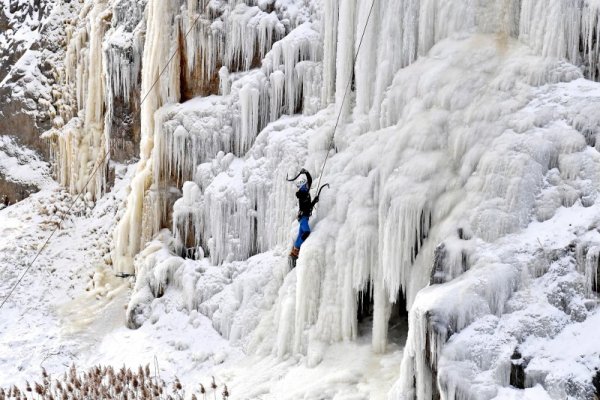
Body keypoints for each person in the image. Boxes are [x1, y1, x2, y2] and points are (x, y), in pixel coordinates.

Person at [289, 168, 320, 266]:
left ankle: (294, 251)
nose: (307, 186)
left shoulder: (305, 192)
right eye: (305, 185)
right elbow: (307, 207)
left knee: (301, 234)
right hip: (303, 218)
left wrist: (306, 172)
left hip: (304, 217)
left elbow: (310, 180)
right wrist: (314, 201)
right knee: (306, 232)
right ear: (302, 187)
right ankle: (296, 249)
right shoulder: (302, 195)